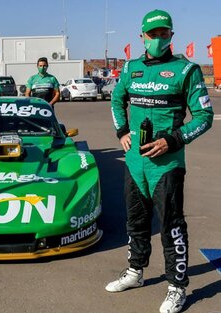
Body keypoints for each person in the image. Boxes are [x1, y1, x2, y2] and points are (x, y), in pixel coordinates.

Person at [106, 9, 213, 313]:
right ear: (142, 36)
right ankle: (135, 272)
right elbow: (117, 100)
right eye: (152, 34)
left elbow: (204, 117)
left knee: (171, 225)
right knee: (136, 221)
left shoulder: (186, 70)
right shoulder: (130, 68)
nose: (157, 39)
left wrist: (173, 140)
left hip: (167, 164)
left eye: (163, 33)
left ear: (171, 36)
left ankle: (177, 286)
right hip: (134, 162)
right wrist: (122, 131)